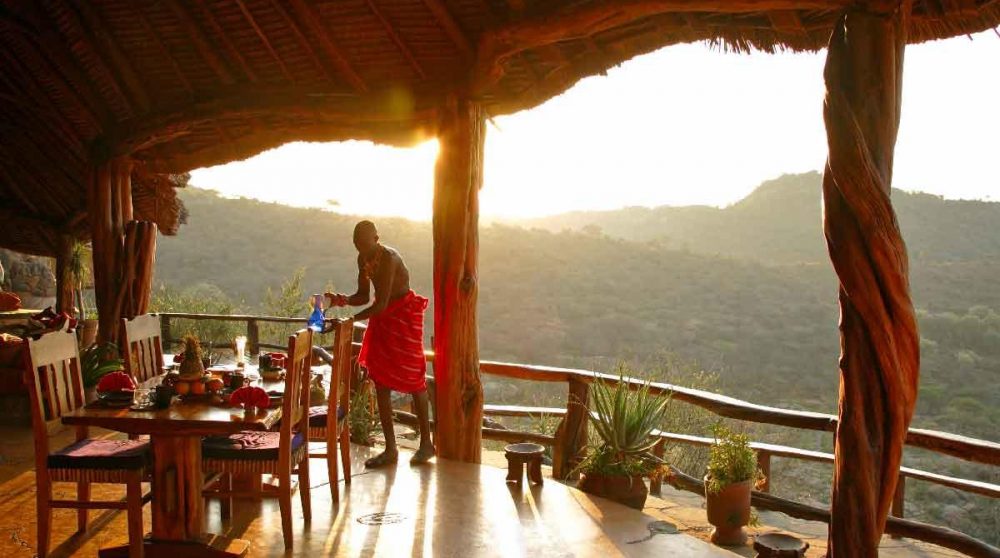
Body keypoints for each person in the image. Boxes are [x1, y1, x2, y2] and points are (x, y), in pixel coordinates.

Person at [326, 220, 435, 467]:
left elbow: (382, 303)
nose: (361, 250)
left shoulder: (389, 259)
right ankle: (390, 449)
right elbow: (363, 296)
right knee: (380, 380)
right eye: (357, 245)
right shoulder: (363, 259)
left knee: (415, 379)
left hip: (403, 315)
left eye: (364, 244)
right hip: (383, 319)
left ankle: (426, 444)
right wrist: (340, 300)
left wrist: (350, 320)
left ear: (377, 239)